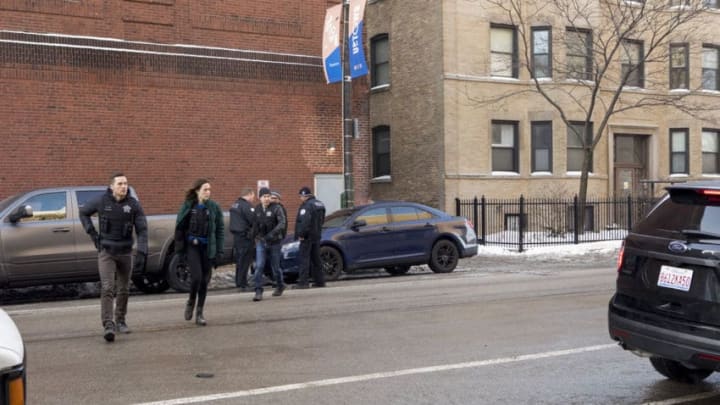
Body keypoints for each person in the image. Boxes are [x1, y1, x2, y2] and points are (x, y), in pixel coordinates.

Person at [79, 173, 148, 342]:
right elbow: (83, 213)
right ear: (112, 186)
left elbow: (142, 229)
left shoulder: (133, 205)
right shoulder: (101, 201)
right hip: (107, 252)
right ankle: (108, 324)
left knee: (124, 289)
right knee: (108, 287)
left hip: (125, 252)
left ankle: (120, 320)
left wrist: (142, 251)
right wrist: (93, 234)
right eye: (120, 184)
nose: (124, 186)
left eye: (125, 183)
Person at [174, 179, 225, 326]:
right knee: (196, 277)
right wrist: (180, 249)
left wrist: (219, 251)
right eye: (205, 189)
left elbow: (220, 230)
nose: (208, 192)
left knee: (204, 281)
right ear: (197, 190)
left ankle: (200, 312)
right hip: (192, 247)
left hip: (208, 248)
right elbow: (179, 227)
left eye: (209, 189)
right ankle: (191, 301)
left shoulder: (214, 207)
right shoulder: (189, 206)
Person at [251, 187, 287, 301]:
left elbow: (282, 223)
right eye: (264, 197)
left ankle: (280, 285)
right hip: (261, 241)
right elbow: (255, 225)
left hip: (274, 242)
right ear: (259, 198)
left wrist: (272, 235)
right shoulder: (257, 209)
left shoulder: (276, 208)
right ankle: (258, 291)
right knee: (259, 266)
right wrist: (251, 236)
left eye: (268, 196)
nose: (267, 199)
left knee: (275, 267)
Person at [292, 186, 326, 289]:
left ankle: (303, 282)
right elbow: (322, 220)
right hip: (317, 235)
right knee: (316, 259)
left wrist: (301, 234)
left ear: (304, 195)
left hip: (307, 236)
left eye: (301, 196)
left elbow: (305, 222)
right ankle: (320, 281)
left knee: (304, 259)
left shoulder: (306, 206)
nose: (300, 199)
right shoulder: (320, 204)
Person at [230, 187, 256, 291]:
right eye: (253, 196)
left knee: (239, 260)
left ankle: (239, 281)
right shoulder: (246, 206)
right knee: (245, 261)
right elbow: (253, 220)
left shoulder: (234, 205)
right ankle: (243, 283)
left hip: (237, 237)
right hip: (245, 237)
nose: (253, 198)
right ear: (249, 194)